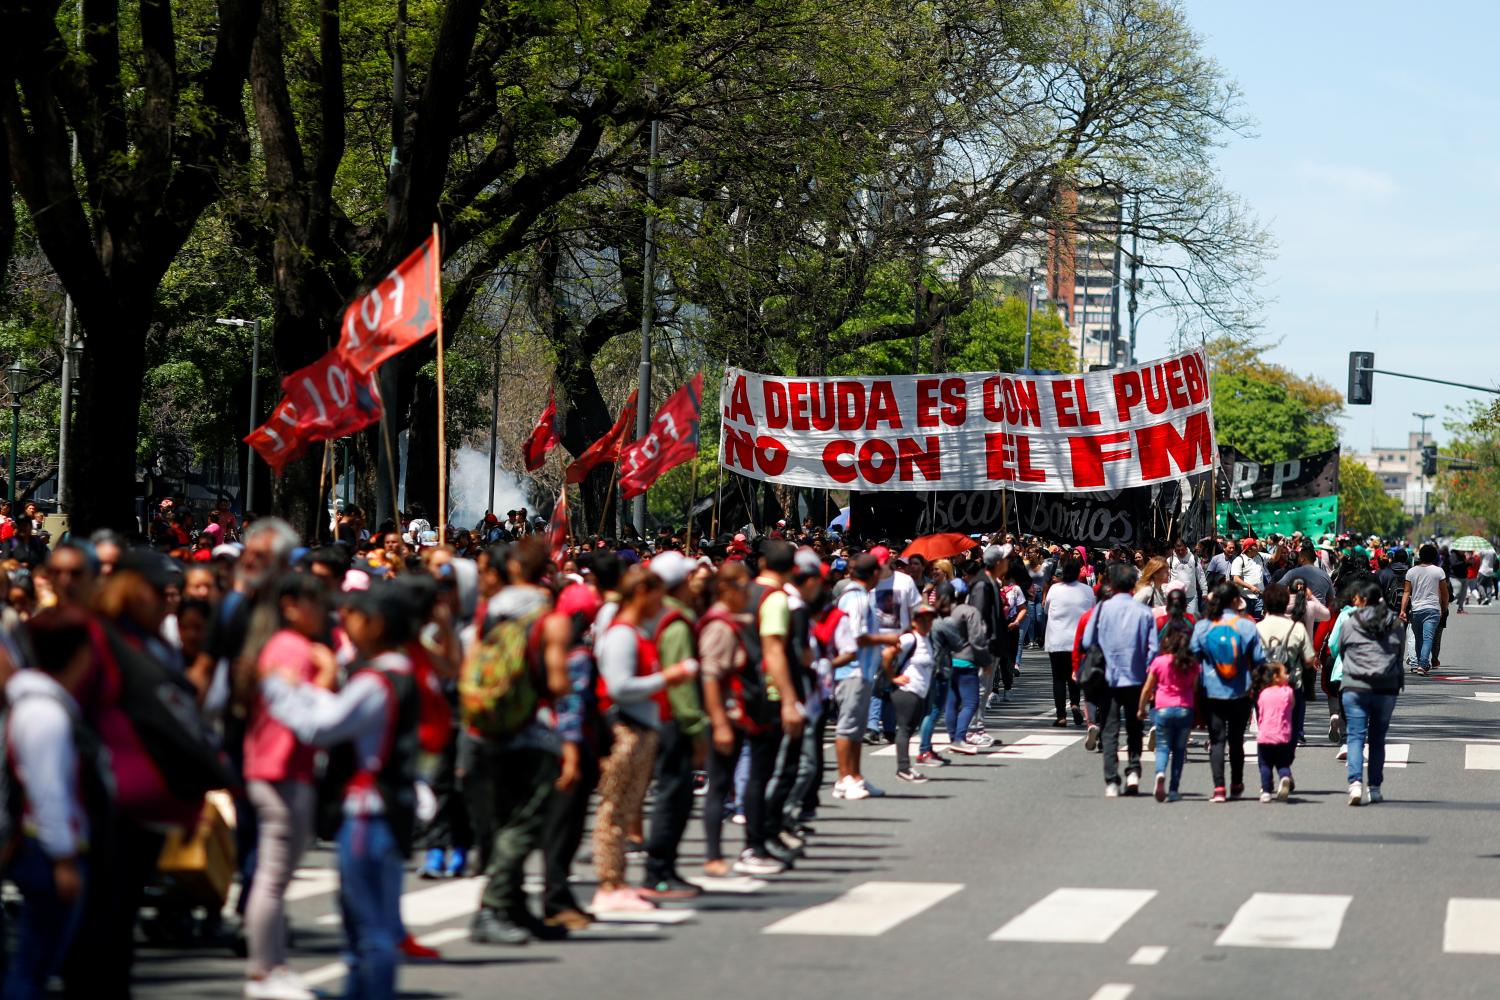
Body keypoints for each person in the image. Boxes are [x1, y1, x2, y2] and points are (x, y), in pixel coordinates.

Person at [260, 582, 421, 1000]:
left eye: (356, 618)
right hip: (384, 809)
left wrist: (282, 691)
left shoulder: (376, 679)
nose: (346, 626)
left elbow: (323, 727)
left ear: (378, 623)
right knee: (369, 925)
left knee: (367, 928)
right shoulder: (400, 672)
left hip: (368, 813)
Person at [237, 573, 337, 1000]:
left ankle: (273, 966)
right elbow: (311, 712)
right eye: (316, 602)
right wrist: (329, 672)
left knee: (273, 877)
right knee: (273, 879)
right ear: (292, 605)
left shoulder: (279, 645)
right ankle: (264, 971)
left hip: (275, 768)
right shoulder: (294, 648)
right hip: (281, 770)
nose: (324, 611)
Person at [5, 607, 108, 1000]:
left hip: (47, 848)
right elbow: (48, 791)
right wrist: (64, 859)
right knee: (35, 963)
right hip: (48, 852)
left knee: (39, 959)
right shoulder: (45, 713)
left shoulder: (44, 706)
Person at [591, 565, 697, 911]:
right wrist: (670, 677)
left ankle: (618, 881)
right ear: (640, 594)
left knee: (626, 808)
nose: (660, 604)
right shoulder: (622, 634)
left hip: (640, 730)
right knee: (615, 809)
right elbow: (620, 687)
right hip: (625, 730)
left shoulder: (636, 631)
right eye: (655, 596)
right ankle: (609, 883)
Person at [640, 551, 708, 900]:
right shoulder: (676, 621)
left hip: (652, 716)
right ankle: (659, 872)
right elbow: (681, 684)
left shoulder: (649, 613)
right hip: (673, 721)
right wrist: (696, 730)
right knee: (673, 797)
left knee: (670, 794)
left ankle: (663, 869)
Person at [1080, 563, 1158, 796]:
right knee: (1135, 727)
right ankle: (1133, 770)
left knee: (1110, 729)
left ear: (1111, 584)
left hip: (1108, 677)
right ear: (1134, 585)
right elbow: (1153, 649)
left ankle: (1111, 780)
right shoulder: (1144, 612)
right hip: (1136, 678)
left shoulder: (1103, 608)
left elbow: (1087, 642)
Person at [1331, 579, 1404, 806]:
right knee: (1378, 739)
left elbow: (1339, 649)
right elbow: (1399, 653)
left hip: (1354, 685)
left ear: (1362, 600)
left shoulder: (1350, 622)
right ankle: (1375, 787)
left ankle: (1354, 784)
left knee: (1355, 735)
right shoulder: (1395, 624)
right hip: (1386, 687)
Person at [1191, 582, 1265, 803]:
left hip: (1211, 691)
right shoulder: (1247, 626)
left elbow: (1193, 655)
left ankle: (1219, 788)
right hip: (1241, 690)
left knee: (1217, 739)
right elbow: (1260, 659)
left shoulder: (1203, 626)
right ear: (1236, 601)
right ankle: (1237, 783)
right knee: (1236, 739)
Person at [830, 554, 894, 795]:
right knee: (848, 727)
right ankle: (843, 778)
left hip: (861, 671)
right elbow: (856, 636)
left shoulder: (858, 596)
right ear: (874, 574)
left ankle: (855, 776)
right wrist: (886, 638)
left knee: (856, 727)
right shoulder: (855, 599)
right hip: (852, 671)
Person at [1136, 625, 1196, 802]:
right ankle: (1174, 788)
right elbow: (1196, 687)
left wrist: (1141, 708)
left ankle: (1160, 773)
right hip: (1185, 708)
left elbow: (1147, 688)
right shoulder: (1191, 664)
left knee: (1162, 746)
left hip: (1162, 708)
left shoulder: (1160, 662)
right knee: (1179, 750)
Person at [883, 599, 940, 783]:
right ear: (914, 621)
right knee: (905, 730)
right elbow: (887, 654)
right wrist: (892, 677)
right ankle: (903, 768)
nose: (927, 623)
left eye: (930, 620)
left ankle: (905, 767)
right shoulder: (910, 638)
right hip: (906, 691)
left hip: (918, 692)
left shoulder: (926, 639)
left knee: (909, 729)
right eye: (923, 620)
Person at [930, 582, 989, 753]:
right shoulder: (970, 611)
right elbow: (977, 639)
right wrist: (985, 661)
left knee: (952, 702)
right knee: (971, 702)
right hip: (967, 660)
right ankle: (959, 737)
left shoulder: (942, 613)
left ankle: (952, 736)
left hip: (948, 662)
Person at [1043, 558, 1094, 727]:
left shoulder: (1054, 589)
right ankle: (1074, 704)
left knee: (1058, 678)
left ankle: (1061, 716)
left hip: (1057, 639)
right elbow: (1092, 612)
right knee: (1074, 676)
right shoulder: (1087, 590)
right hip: (1077, 640)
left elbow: (1046, 608)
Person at [1400, 543, 1448, 677]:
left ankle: (1421, 663)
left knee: (1419, 638)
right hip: (1432, 608)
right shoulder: (1439, 571)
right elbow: (1444, 592)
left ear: (1420, 556)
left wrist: (1403, 610)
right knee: (1428, 638)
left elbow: (1406, 592)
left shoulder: (1411, 571)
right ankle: (1422, 664)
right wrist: (1444, 606)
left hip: (1416, 609)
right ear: (1434, 556)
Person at [1255, 662, 1296, 803]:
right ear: (1276, 677)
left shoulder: (1263, 694)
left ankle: (1266, 792)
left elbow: (1260, 714)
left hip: (1265, 736)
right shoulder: (1287, 692)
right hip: (1282, 736)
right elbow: (1292, 704)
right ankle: (1284, 777)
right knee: (1283, 764)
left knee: (1265, 764)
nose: (1288, 675)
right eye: (1285, 673)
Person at [1167, 538, 1208, 616]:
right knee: (1177, 619)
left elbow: (1200, 575)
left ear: (1186, 548)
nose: (1180, 552)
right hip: (1175, 596)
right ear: (1174, 549)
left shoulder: (1194, 558)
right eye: (1178, 550)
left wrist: (1204, 591)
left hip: (1191, 596)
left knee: (1193, 619)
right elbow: (1167, 578)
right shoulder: (1170, 560)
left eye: (1182, 549)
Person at [1231, 538, 1268, 619]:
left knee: (1259, 620)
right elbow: (1236, 579)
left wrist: (1279, 547)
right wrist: (1250, 587)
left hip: (1259, 598)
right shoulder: (1239, 560)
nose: (1258, 546)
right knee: (1245, 621)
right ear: (1249, 548)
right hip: (1245, 598)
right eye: (1255, 545)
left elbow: (1274, 558)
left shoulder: (1260, 556)